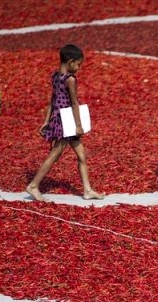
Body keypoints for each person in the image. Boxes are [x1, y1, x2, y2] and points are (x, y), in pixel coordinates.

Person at [26, 43, 103, 202]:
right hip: (66, 122)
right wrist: (79, 125)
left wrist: (46, 120)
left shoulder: (55, 76)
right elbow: (74, 103)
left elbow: (52, 100)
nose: (79, 68)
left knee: (82, 154)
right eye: (78, 64)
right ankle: (33, 185)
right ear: (70, 62)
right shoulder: (70, 80)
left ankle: (87, 190)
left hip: (61, 118)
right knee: (55, 154)